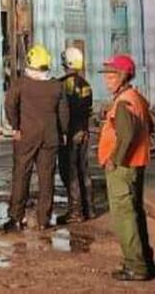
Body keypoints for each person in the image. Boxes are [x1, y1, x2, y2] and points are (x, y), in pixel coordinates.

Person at [97, 54, 155, 282]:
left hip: (123, 168)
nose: (107, 80)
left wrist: (115, 158)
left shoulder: (123, 102)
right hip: (136, 164)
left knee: (124, 217)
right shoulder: (136, 98)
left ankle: (135, 266)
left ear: (123, 76)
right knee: (135, 213)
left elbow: (127, 134)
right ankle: (144, 261)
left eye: (111, 75)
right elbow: (147, 126)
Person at [4, 44, 69, 231]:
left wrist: (15, 126)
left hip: (25, 136)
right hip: (50, 137)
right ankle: (44, 220)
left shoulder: (21, 83)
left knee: (21, 176)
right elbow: (64, 113)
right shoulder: (57, 85)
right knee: (47, 179)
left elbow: (9, 105)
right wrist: (62, 132)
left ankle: (16, 217)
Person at [58, 47, 93, 223]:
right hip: (84, 131)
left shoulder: (63, 84)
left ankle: (75, 212)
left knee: (69, 172)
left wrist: (63, 131)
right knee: (83, 170)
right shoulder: (86, 84)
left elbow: (63, 111)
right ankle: (89, 209)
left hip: (70, 134)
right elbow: (88, 110)